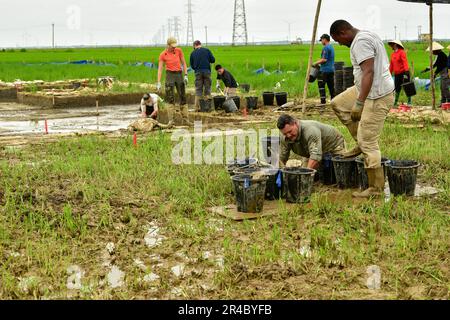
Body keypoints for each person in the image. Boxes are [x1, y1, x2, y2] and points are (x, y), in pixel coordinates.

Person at [329, 20, 395, 198]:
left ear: (343, 32)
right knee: (338, 104)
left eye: (339, 40)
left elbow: (369, 72)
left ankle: (375, 188)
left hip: (377, 95)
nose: (340, 44)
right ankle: (360, 142)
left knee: (369, 141)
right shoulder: (365, 35)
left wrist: (359, 103)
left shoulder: (360, 42)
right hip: (366, 89)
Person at [277, 114, 345, 170]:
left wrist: (306, 174)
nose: (288, 135)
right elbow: (283, 156)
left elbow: (315, 156)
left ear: (295, 123)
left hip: (333, 145)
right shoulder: (284, 136)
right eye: (285, 133)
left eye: (290, 131)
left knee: (339, 171)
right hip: (310, 151)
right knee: (311, 176)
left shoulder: (310, 130)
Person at [157, 37, 188, 107]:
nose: (174, 48)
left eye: (175, 46)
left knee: (182, 95)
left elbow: (184, 63)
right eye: (172, 46)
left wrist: (186, 75)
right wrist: (158, 82)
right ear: (168, 45)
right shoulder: (163, 54)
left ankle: (184, 114)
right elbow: (160, 69)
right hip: (170, 74)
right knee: (170, 96)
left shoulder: (179, 51)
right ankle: (171, 113)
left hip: (179, 74)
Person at [190, 40, 216, 111]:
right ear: (200, 44)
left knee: (198, 90)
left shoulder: (192, 53)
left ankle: (197, 107)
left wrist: (196, 68)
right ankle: (207, 107)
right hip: (207, 72)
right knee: (207, 89)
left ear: (194, 45)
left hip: (198, 72)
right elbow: (213, 60)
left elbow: (192, 65)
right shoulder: (207, 50)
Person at [422, 42, 449, 106]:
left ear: (436, 50)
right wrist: (427, 69)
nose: (432, 52)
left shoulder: (441, 55)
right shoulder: (438, 55)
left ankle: (448, 101)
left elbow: (440, 66)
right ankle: (443, 102)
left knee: (444, 87)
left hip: (445, 72)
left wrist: (435, 73)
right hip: (442, 72)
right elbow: (434, 64)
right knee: (442, 88)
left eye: (432, 51)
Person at [388, 40, 412, 107]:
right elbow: (391, 65)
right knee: (397, 88)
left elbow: (405, 62)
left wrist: (406, 72)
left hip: (404, 73)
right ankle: (395, 102)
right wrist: (389, 73)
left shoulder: (401, 52)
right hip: (397, 74)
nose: (391, 46)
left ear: (395, 45)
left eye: (392, 45)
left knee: (407, 87)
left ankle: (409, 102)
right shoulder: (393, 54)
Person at [313, 34, 335, 104]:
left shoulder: (326, 48)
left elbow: (324, 59)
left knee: (321, 86)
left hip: (324, 70)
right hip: (331, 70)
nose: (321, 42)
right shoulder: (331, 47)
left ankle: (323, 102)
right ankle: (333, 102)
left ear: (324, 39)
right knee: (331, 87)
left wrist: (315, 63)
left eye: (321, 40)